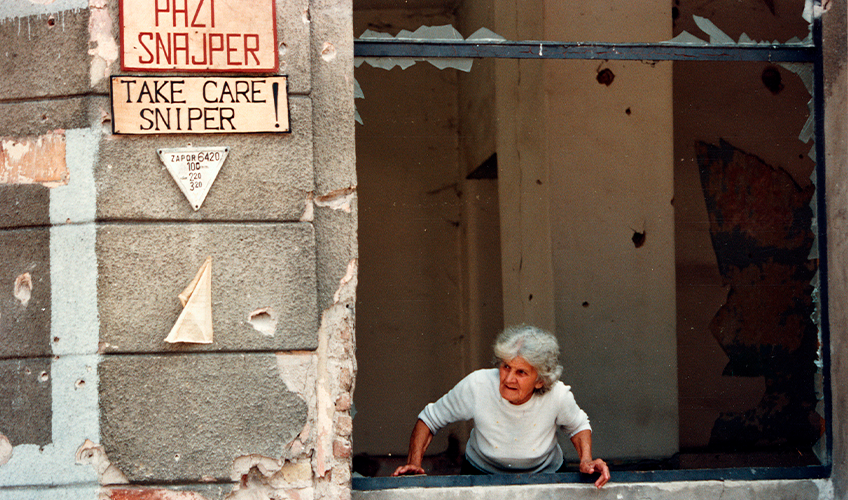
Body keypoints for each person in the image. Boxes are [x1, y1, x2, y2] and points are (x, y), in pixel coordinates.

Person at [391, 325, 611, 488]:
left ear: (540, 380)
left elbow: (578, 425)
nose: (508, 379)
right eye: (506, 366)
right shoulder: (478, 385)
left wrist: (586, 460)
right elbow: (429, 420)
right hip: (480, 473)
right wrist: (414, 465)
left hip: (546, 475)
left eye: (521, 372)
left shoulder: (558, 395)